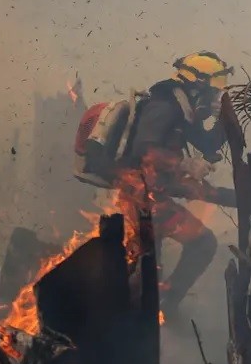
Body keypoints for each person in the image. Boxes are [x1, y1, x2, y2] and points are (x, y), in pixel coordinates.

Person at [78, 51, 232, 315]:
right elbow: (145, 151)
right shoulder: (164, 107)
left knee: (179, 252)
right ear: (196, 85)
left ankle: (161, 305)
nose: (214, 98)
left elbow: (207, 144)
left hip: (151, 197)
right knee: (157, 260)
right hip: (137, 198)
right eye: (212, 92)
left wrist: (225, 118)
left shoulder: (183, 111)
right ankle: (149, 313)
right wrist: (184, 165)